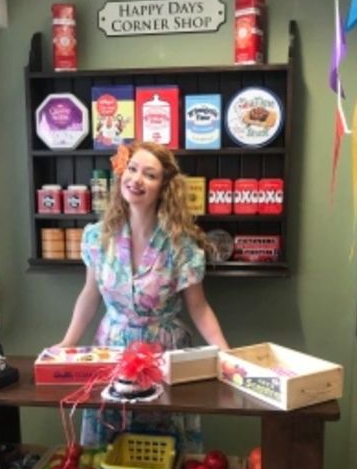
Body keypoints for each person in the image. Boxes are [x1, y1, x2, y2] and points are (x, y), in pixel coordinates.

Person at [57, 140, 229, 449]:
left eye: (149, 174)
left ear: (164, 187)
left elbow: (199, 307)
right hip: (112, 349)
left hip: (163, 353)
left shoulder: (181, 245)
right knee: (109, 438)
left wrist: (225, 353)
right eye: (132, 169)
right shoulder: (97, 237)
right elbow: (89, 294)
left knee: (165, 440)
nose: (136, 179)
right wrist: (68, 343)